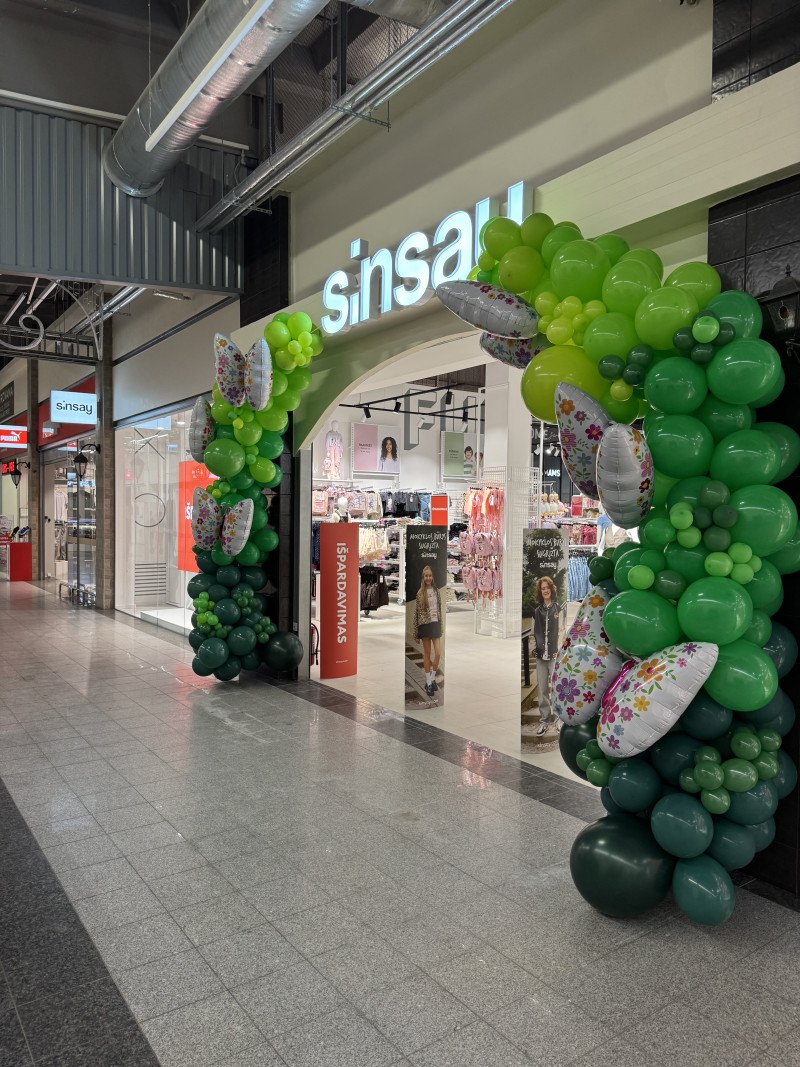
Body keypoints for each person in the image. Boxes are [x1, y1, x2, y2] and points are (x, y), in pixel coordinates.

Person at [533, 575, 560, 734]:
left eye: (547, 588)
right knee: (542, 689)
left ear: (551, 589)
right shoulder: (537, 611)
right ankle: (544, 721)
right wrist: (535, 648)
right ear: (540, 591)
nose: (545, 591)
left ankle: (558, 719)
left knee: (555, 687)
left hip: (554, 654)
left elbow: (562, 630)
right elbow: (534, 632)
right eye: (542, 589)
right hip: (540, 656)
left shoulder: (558, 609)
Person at [413, 565, 442, 697]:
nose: (428, 578)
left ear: (432, 577)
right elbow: (416, 614)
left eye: (430, 576)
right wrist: (416, 633)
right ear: (423, 577)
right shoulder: (420, 593)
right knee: (427, 654)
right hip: (425, 626)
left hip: (435, 625)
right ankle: (429, 683)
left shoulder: (436, 591)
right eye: (426, 576)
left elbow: (439, 610)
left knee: (438, 653)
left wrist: (441, 627)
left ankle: (432, 678)